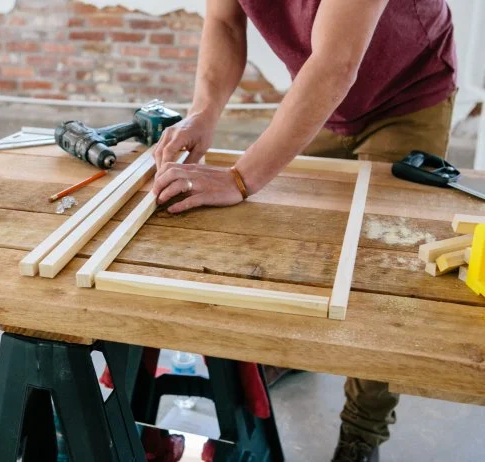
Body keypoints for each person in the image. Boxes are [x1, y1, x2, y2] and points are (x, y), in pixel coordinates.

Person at [151, 1, 456, 461]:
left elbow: (337, 64)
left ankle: (361, 431)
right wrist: (204, 110)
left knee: (379, 272)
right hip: (324, 91)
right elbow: (224, 21)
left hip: (406, 91)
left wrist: (241, 177)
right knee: (296, 240)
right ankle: (292, 355)